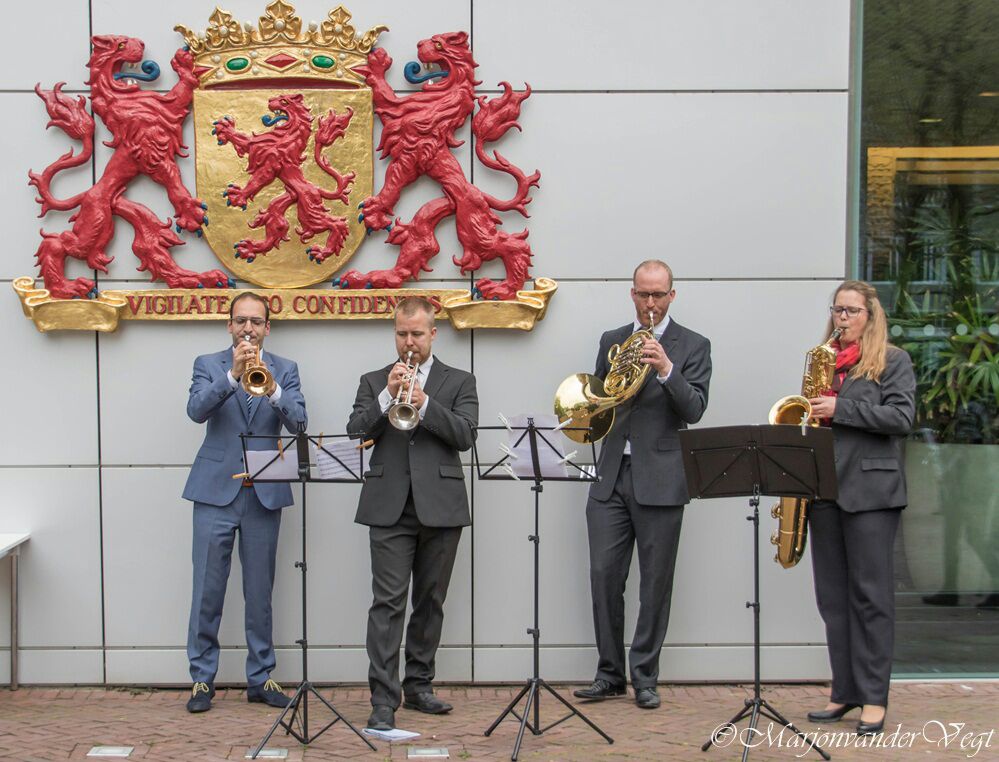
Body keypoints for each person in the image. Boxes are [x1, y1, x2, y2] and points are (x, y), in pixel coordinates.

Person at [574, 260, 712, 709]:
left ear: (673, 295)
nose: (649, 303)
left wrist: (668, 370)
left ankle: (645, 676)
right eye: (642, 294)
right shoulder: (612, 341)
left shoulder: (693, 345)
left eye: (658, 295)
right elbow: (599, 403)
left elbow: (694, 410)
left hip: (663, 477)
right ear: (632, 294)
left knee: (655, 582)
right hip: (611, 475)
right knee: (603, 577)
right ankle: (609, 673)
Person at [347, 296, 478, 731]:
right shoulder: (373, 381)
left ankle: (419, 685)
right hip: (388, 506)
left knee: (430, 600)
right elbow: (356, 430)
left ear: (433, 333)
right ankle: (384, 698)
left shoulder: (460, 381)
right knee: (386, 604)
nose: (409, 342)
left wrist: (424, 403)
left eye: (417, 334)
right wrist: (389, 394)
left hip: (441, 505)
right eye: (402, 334)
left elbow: (465, 436)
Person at [182, 292, 308, 713]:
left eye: (256, 321)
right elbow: (196, 411)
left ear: (268, 327)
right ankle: (202, 680)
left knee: (260, 592)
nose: (248, 328)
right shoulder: (208, 365)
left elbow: (300, 421)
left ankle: (261, 677)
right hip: (214, 490)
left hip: (264, 491)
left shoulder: (286, 369)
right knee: (207, 591)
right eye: (241, 321)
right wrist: (233, 378)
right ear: (229, 326)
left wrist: (272, 390)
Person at [804, 280, 915, 736]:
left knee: (871, 599)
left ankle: (874, 698)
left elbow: (901, 418)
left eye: (851, 311)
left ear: (870, 316)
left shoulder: (893, 360)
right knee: (833, 599)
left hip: (871, 493)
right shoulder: (822, 362)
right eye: (837, 310)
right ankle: (844, 691)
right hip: (824, 490)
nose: (842, 318)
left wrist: (840, 407)